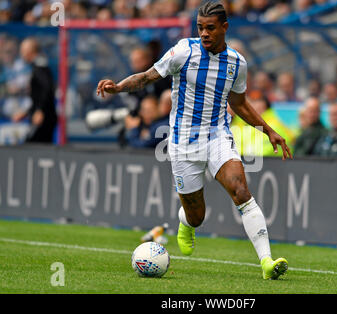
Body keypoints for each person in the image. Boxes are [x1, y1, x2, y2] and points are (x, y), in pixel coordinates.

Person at [97, 1, 292, 280]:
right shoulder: (183, 52)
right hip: (182, 144)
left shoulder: (237, 63)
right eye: (200, 27)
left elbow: (239, 104)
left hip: (218, 137)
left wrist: (268, 130)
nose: (204, 33)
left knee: (240, 191)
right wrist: (119, 87)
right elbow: (147, 77)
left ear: (224, 27)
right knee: (197, 215)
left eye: (210, 28)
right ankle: (185, 222)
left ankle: (267, 262)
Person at [12, 38, 57, 143]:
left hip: (44, 117)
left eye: (23, 51)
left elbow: (47, 88)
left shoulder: (40, 66)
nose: (21, 54)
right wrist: (27, 112)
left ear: (30, 51)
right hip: (42, 115)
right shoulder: (36, 66)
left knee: (32, 145)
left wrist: (40, 110)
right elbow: (38, 95)